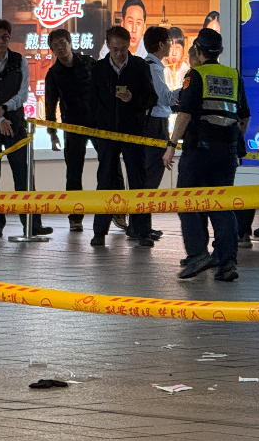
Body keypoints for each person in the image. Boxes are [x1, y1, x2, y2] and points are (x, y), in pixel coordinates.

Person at [162, 29, 249, 282]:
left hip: (199, 150)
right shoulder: (233, 75)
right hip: (226, 151)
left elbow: (185, 113)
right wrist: (232, 138)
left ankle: (198, 254)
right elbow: (244, 115)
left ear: (198, 51)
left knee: (187, 200)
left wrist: (171, 145)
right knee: (222, 205)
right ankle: (227, 261)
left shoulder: (196, 75)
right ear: (220, 51)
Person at [0, 18, 50, 238]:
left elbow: (23, 94)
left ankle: (32, 224)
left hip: (15, 124)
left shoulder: (19, 61)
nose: (0, 41)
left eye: (4, 37)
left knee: (23, 174)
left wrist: (4, 110)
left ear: (9, 37)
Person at [88, 26, 156, 248]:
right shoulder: (99, 69)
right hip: (106, 133)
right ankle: (100, 232)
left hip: (133, 132)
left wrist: (133, 99)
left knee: (138, 180)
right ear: (108, 46)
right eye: (115, 49)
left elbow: (151, 98)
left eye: (124, 49)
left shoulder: (139, 66)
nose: (119, 54)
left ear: (130, 46)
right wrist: (97, 130)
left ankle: (142, 231)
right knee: (105, 180)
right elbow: (92, 102)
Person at [44, 28, 94, 232]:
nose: (60, 48)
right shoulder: (53, 74)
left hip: (98, 122)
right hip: (72, 125)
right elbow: (50, 104)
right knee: (73, 171)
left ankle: (117, 212)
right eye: (55, 45)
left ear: (70, 43)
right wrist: (52, 133)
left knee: (110, 166)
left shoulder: (89, 63)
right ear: (52, 50)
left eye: (63, 43)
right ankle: (75, 217)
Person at [141, 27, 175, 239]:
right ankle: (142, 226)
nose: (171, 45)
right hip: (155, 124)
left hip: (151, 122)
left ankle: (141, 225)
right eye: (169, 41)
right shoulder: (154, 67)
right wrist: (186, 91)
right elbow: (165, 98)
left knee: (148, 175)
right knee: (152, 174)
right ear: (161, 44)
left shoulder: (149, 65)